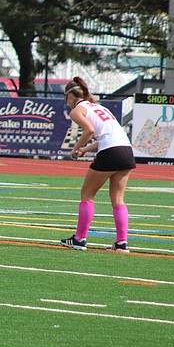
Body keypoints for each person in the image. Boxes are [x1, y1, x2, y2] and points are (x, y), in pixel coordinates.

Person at [59, 77, 135, 253]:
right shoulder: (100, 107)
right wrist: (86, 149)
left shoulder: (78, 110)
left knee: (87, 194)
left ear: (70, 96)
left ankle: (79, 239)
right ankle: (122, 243)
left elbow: (90, 130)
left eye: (66, 99)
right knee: (118, 199)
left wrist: (75, 149)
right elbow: (106, 136)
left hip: (110, 152)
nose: (67, 103)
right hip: (126, 151)